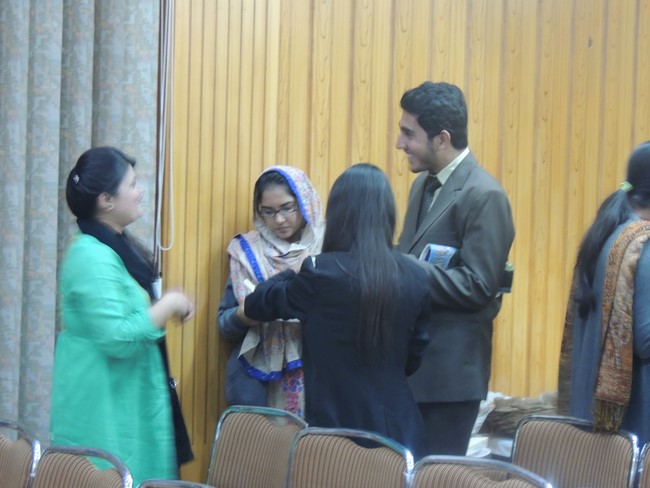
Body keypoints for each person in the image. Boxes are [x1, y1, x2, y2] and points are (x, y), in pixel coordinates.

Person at [242, 163, 433, 459]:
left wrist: (294, 269)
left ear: (337, 215)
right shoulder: (416, 276)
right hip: (400, 432)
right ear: (388, 214)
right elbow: (413, 358)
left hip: (334, 434)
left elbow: (257, 302)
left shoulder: (320, 272)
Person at [50, 147, 195, 485]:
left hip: (127, 400)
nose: (140, 191)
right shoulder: (91, 255)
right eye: (132, 184)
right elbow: (118, 337)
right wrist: (169, 304)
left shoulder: (113, 245)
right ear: (106, 200)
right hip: (104, 409)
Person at [395, 81, 515, 456]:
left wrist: (404, 267)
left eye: (408, 133)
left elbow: (479, 285)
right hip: (410, 370)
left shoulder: (485, 196)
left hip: (449, 382)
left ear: (442, 139)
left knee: (437, 478)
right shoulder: (421, 186)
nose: (399, 143)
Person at [558, 141, 650, 446]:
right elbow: (645, 339)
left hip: (591, 415)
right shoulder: (643, 243)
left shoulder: (606, 232)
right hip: (633, 425)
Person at [217, 166, 324, 416]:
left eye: (287, 208)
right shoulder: (246, 251)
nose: (279, 220)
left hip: (318, 375)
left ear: (304, 202)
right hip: (256, 384)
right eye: (269, 211)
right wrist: (249, 313)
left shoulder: (328, 245)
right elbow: (224, 324)